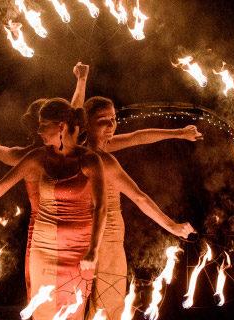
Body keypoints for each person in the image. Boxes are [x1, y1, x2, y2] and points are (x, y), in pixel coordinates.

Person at [0, 98, 107, 320]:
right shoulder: (38, 157)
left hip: (79, 250)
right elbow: (0, 187)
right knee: (43, 308)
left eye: (43, 125)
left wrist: (93, 250)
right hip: (43, 247)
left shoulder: (90, 160)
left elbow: (101, 208)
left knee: (73, 310)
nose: (39, 130)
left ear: (61, 126)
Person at [0, 62, 90, 302]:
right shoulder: (30, 158)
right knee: (50, 296)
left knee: (58, 295)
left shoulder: (39, 154)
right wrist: (81, 80)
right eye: (42, 123)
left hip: (65, 235)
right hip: (47, 235)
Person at [82, 96, 197, 320]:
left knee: (108, 300)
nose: (110, 125)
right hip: (81, 231)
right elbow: (139, 197)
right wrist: (172, 226)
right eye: (102, 120)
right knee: (79, 298)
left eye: (113, 119)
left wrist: (179, 133)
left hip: (110, 233)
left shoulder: (101, 149)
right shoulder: (95, 158)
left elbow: (138, 136)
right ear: (85, 123)